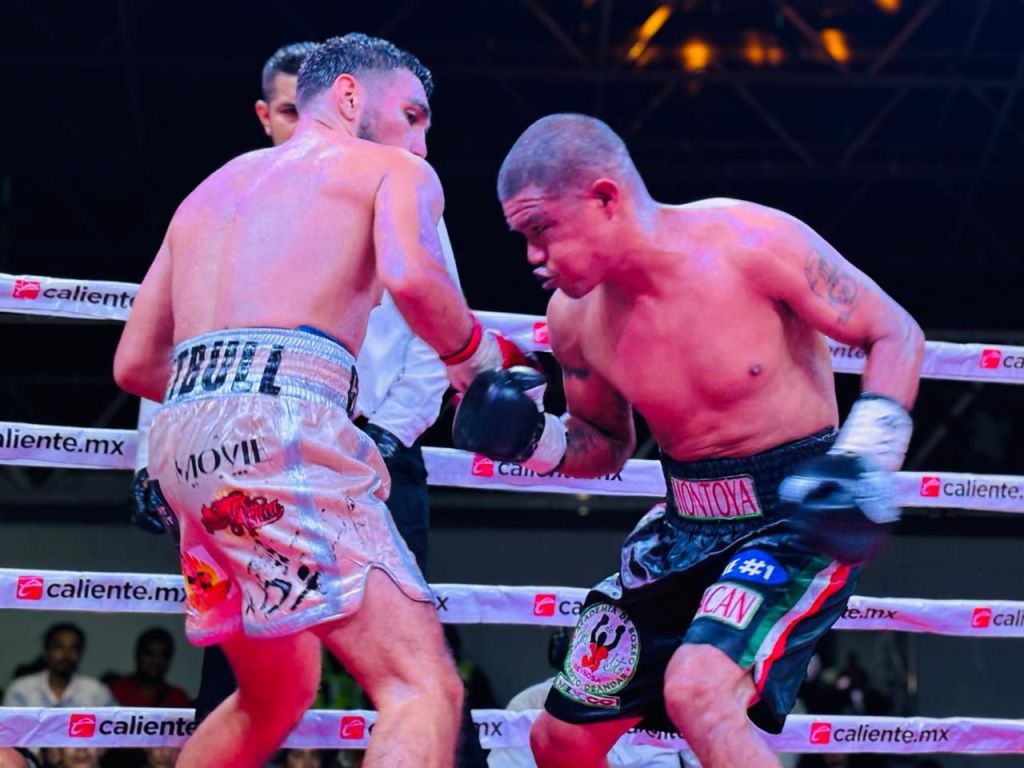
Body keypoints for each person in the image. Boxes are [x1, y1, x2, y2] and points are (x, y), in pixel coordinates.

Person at [454, 114, 924, 767]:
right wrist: (534, 441)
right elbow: (604, 441)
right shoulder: (573, 318)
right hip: (681, 530)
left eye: (542, 229)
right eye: (524, 237)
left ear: (605, 198)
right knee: (558, 741)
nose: (533, 256)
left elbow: (895, 332)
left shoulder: (750, 241)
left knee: (698, 692)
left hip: (791, 521)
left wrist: (863, 461)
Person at [112, 33, 530, 768]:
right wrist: (478, 362)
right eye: (413, 115)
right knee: (422, 688)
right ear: (348, 95)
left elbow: (135, 364)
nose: (422, 142)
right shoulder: (391, 169)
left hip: (183, 444)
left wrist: (233, 393)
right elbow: (413, 279)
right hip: (286, 425)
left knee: (271, 696)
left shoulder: (212, 190)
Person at [2, 623, 114, 708]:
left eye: (73, 648)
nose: (66, 655)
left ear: (80, 653)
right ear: (46, 652)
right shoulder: (21, 690)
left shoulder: (96, 691)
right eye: (59, 647)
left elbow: (113, 728)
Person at [108, 627, 191, 708]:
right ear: (138, 655)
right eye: (149, 653)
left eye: (162, 655)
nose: (156, 661)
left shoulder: (178, 698)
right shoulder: (115, 691)